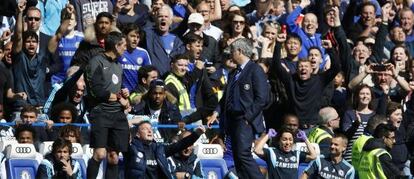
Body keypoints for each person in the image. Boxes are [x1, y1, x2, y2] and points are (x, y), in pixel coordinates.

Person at [209, 38, 269, 178]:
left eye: (233, 51)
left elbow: (262, 99)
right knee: (237, 156)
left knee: (243, 154)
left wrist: (248, 117)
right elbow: (225, 98)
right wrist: (216, 113)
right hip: (231, 120)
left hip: (244, 119)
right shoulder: (233, 73)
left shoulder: (255, 70)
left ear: (240, 51)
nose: (230, 55)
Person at [84, 31, 129, 179]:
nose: (125, 48)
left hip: (117, 114)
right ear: (116, 46)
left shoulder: (118, 65)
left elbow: (115, 89)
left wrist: (123, 95)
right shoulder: (97, 61)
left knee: (114, 157)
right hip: (101, 112)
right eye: (124, 45)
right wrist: (114, 96)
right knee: (99, 154)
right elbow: (95, 89)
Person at [272, 32, 340, 127]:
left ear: (311, 69)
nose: (303, 68)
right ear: (296, 69)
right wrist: (278, 44)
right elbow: (276, 65)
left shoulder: (319, 80)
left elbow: (336, 68)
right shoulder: (291, 80)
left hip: (312, 126)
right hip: (294, 127)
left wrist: (330, 49)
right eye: (301, 66)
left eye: (306, 66)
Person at [123, 121, 206, 178]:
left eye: (151, 129)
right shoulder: (131, 147)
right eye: (144, 129)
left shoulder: (160, 149)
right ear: (137, 134)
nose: (149, 131)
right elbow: (121, 135)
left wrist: (196, 134)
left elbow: (180, 145)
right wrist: (131, 122)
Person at [144, 4, 185, 76]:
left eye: (166, 16)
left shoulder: (178, 41)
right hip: (155, 80)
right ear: (156, 19)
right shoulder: (149, 35)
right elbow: (136, 25)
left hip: (172, 81)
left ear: (171, 20)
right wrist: (148, 13)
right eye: (160, 16)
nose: (163, 18)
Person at [119, 23, 151, 92]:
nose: (135, 39)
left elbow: (149, 74)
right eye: (132, 36)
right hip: (121, 93)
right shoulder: (119, 51)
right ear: (125, 36)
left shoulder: (143, 53)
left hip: (138, 93)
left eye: (138, 37)